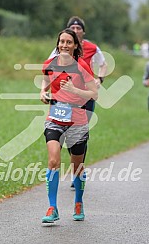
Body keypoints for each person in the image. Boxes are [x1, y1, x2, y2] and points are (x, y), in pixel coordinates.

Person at [40, 28, 98, 223]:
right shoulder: (50, 64)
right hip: (55, 118)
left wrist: (74, 90)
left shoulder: (81, 66)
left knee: (77, 166)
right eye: (61, 41)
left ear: (75, 46)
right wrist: (43, 92)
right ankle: (52, 207)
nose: (64, 45)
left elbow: (93, 94)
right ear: (58, 44)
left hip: (78, 121)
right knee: (53, 161)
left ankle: (78, 202)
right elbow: (46, 79)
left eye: (68, 42)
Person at [49, 16, 107, 188]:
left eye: (78, 28)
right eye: (72, 28)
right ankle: (76, 166)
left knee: (80, 134)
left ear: (83, 31)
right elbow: (49, 66)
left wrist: (99, 79)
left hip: (85, 96)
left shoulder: (92, 48)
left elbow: (103, 64)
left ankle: (78, 170)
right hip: (65, 98)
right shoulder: (60, 47)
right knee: (67, 132)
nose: (75, 30)